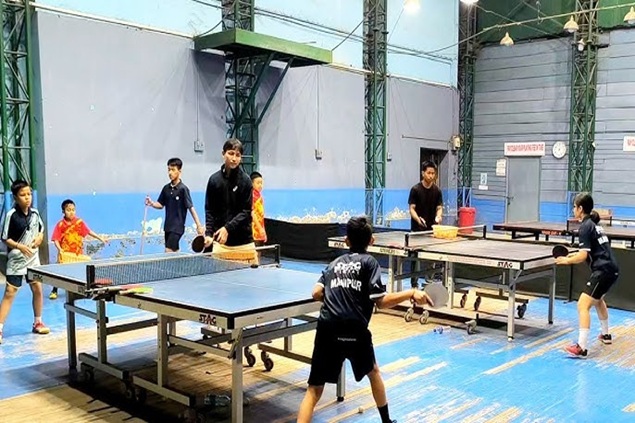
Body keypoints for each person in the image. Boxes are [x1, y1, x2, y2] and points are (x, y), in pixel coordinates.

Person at [297, 216, 433, 423]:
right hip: (354, 329)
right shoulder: (369, 263)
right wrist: (411, 293)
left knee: (314, 389)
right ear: (372, 241)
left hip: (328, 328)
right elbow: (381, 302)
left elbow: (316, 293)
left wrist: (337, 297)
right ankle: (386, 421)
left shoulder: (333, 264)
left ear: (346, 241)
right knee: (373, 372)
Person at [555, 192, 619, 358]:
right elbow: (588, 251)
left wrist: (566, 261)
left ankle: (581, 347)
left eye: (574, 207)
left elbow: (583, 256)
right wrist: (572, 255)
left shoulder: (585, 226)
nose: (573, 210)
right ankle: (606, 335)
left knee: (582, 305)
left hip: (602, 271)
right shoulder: (595, 225)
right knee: (598, 300)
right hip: (612, 269)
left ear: (580, 209)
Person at [0, 180, 49, 344]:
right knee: (10, 292)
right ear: (15, 197)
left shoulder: (35, 213)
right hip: (16, 260)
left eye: (29, 194)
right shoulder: (11, 215)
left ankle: (38, 322)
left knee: (37, 289)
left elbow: (41, 230)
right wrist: (19, 246)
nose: (27, 197)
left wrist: (40, 238)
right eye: (23, 195)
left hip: (33, 259)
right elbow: (5, 238)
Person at [203, 139, 254, 255]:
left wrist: (227, 228)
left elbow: (246, 211)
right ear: (223, 154)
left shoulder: (246, 181)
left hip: (242, 241)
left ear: (241, 158)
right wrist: (209, 234)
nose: (234, 158)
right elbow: (210, 209)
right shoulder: (214, 180)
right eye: (231, 153)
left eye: (238, 155)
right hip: (220, 240)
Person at [49, 199, 108, 300]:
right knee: (60, 273)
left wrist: (100, 238)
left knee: (79, 272)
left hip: (77, 254)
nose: (71, 212)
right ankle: (54, 290)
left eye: (73, 210)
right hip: (65, 254)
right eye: (68, 210)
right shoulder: (60, 225)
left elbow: (89, 231)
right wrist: (60, 249)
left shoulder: (79, 222)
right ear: (63, 211)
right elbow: (56, 239)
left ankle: (83, 290)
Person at [145, 157, 204, 252]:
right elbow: (160, 205)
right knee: (174, 251)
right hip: (167, 227)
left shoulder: (183, 189)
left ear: (179, 171)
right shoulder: (166, 188)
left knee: (168, 251)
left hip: (177, 228)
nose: (170, 173)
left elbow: (191, 208)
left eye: (173, 170)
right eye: (169, 170)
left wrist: (199, 226)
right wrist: (151, 203)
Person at [408, 161, 443, 232]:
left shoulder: (437, 191)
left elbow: (439, 208)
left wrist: (438, 216)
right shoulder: (415, 190)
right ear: (423, 173)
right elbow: (412, 209)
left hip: (432, 230)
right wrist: (418, 220)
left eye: (433, 173)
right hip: (417, 230)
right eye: (428, 173)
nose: (431, 176)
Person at [250, 171, 267, 246]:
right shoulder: (251, 196)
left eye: (261, 183)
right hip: (253, 230)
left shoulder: (259, 196)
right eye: (258, 183)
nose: (260, 185)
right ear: (252, 184)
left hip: (260, 230)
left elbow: (261, 217)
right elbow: (252, 213)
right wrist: (260, 228)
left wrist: (263, 231)